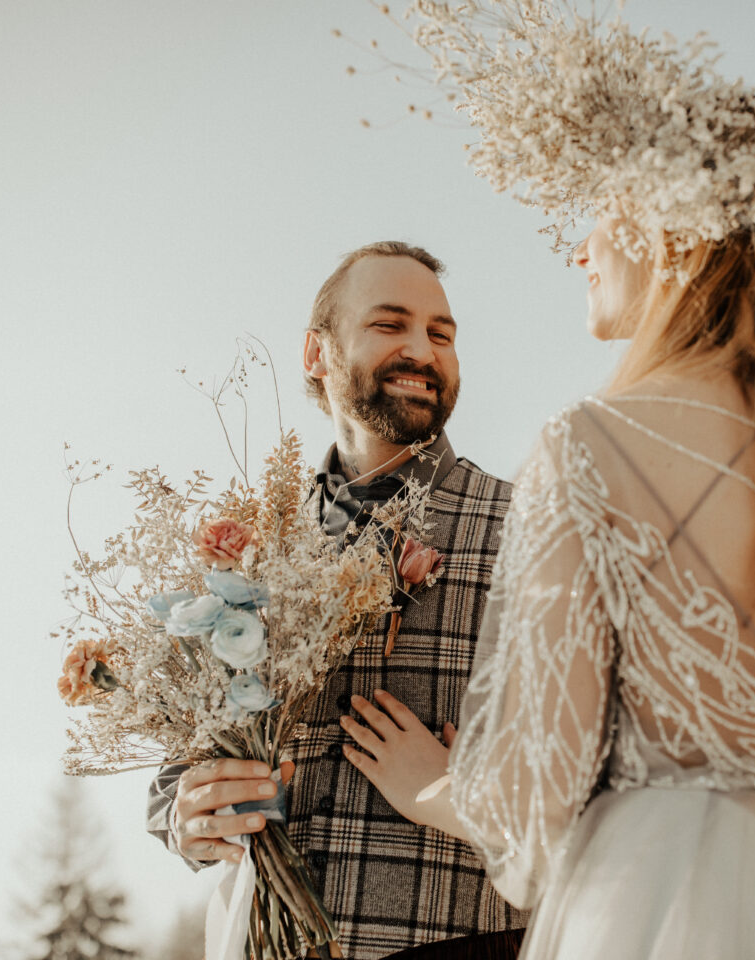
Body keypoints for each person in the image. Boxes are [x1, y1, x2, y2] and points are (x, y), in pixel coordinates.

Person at [338, 8, 755, 958]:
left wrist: (426, 784)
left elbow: (531, 801)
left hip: (659, 914)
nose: (579, 247)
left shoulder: (590, 451)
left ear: (666, 229)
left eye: (597, 211)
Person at [147, 241, 526, 960]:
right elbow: (181, 764)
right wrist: (185, 815)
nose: (423, 348)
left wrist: (456, 789)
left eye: (441, 334)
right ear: (317, 355)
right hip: (264, 943)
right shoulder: (245, 548)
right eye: (391, 325)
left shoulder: (532, 528)